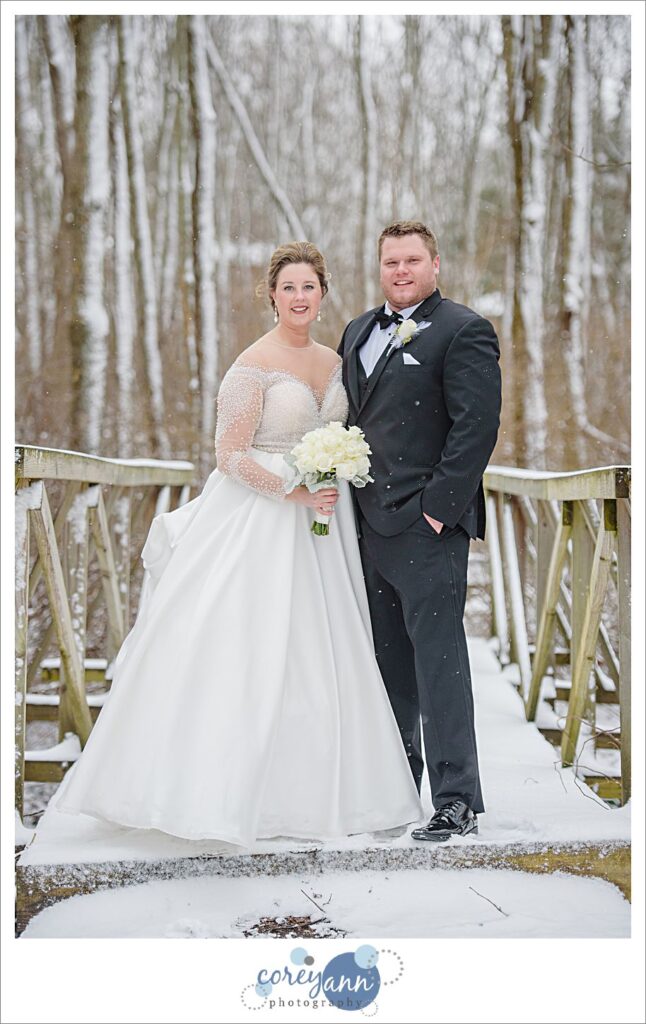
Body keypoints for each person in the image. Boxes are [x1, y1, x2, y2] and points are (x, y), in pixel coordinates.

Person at [53, 241, 423, 847]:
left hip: (326, 526)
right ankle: (222, 791)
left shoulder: (336, 361)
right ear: (272, 296)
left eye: (310, 287)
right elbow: (228, 454)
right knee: (252, 649)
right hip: (262, 519)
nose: (299, 298)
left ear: (322, 295)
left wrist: (335, 474)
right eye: (288, 288)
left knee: (323, 651)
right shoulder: (251, 365)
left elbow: (346, 430)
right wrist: (292, 492)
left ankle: (323, 793)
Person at [338, 220, 501, 842]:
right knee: (386, 664)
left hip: (429, 525)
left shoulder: (464, 330)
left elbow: (475, 428)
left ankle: (457, 799)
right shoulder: (356, 331)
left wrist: (438, 509)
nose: (400, 271)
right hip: (366, 524)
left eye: (412, 261)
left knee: (440, 665)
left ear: (436, 264)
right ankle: (395, 786)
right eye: (389, 262)